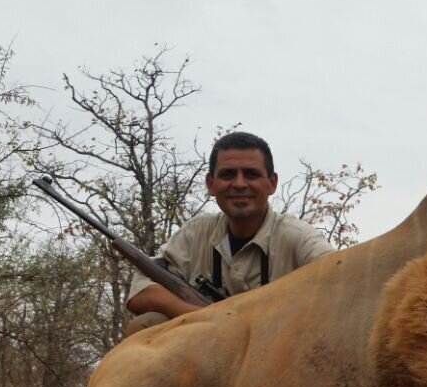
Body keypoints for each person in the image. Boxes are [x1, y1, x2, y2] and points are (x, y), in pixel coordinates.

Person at [125, 131, 334, 335]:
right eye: (228, 174)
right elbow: (141, 292)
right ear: (211, 184)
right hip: (207, 347)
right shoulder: (196, 232)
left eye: (251, 174)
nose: (240, 184)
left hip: (278, 348)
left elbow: (339, 280)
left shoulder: (298, 237)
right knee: (147, 325)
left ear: (272, 183)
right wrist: (205, 316)